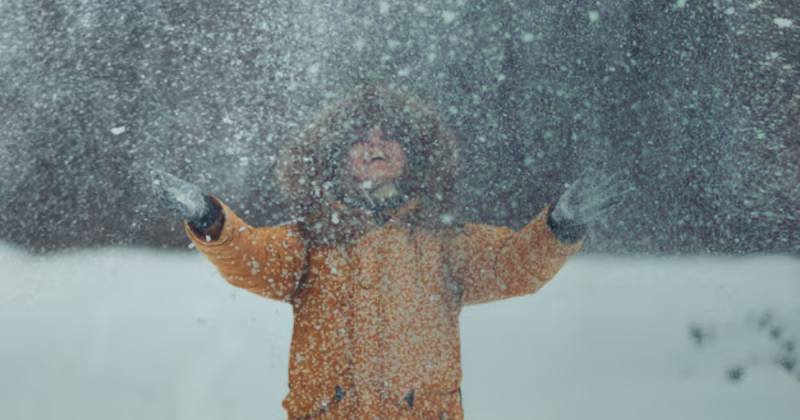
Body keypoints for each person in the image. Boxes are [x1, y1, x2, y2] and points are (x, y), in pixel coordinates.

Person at [152, 84, 626, 420]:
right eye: (361, 139)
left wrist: (559, 225)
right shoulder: (312, 240)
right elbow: (250, 257)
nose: (375, 146)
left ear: (414, 154)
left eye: (389, 137)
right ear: (337, 159)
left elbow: (514, 266)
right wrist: (209, 219)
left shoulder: (444, 241)